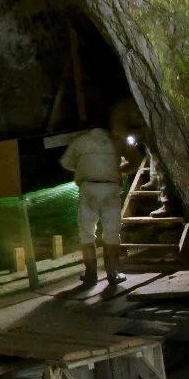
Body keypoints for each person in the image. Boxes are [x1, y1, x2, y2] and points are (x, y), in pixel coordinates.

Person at [61, 121, 127, 291]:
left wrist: (84, 166)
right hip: (111, 188)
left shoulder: (80, 141)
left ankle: (91, 274)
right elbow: (135, 160)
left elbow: (66, 163)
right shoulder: (116, 141)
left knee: (86, 233)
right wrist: (119, 169)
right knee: (112, 232)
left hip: (88, 188)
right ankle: (113, 274)